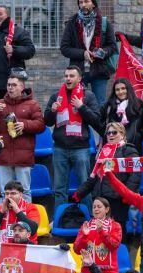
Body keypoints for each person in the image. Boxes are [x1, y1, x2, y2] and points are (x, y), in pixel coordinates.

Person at [43, 66, 101, 207]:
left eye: (71, 76)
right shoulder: (56, 96)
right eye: (66, 76)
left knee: (84, 187)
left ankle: (89, 217)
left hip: (80, 148)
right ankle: (60, 218)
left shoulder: (88, 96)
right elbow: (47, 122)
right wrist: (52, 111)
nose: (68, 78)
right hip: (60, 148)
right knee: (59, 189)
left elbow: (97, 121)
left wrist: (81, 107)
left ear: (79, 78)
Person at [0, 75, 46, 198]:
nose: (10, 88)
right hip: (3, 157)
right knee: (4, 193)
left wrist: (25, 125)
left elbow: (41, 125)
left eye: (14, 85)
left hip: (23, 158)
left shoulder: (32, 104)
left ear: (22, 87)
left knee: (24, 192)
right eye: (8, 85)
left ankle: (24, 212)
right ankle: (4, 212)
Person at [74, 122, 140, 226]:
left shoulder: (129, 150)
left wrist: (127, 195)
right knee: (100, 230)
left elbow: (135, 175)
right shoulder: (104, 151)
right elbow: (94, 176)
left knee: (117, 229)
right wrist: (80, 192)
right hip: (101, 198)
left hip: (118, 199)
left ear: (122, 134)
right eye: (108, 133)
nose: (111, 135)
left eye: (114, 132)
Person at [60, 0, 117, 104]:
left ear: (94, 3)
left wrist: (103, 52)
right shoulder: (72, 23)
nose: (83, 5)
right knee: (76, 105)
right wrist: (83, 54)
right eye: (81, 2)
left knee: (99, 105)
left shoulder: (104, 23)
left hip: (99, 70)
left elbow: (112, 46)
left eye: (86, 1)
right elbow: (64, 48)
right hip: (78, 72)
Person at [75, 198, 123, 273]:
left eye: (99, 206)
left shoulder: (115, 226)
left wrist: (101, 231)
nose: (96, 209)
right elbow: (76, 249)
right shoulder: (86, 226)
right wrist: (84, 235)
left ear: (107, 209)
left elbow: (114, 245)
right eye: (94, 207)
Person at [98, 79, 143, 149]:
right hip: (112, 148)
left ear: (128, 89)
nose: (120, 92)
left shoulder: (139, 104)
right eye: (117, 90)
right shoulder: (108, 106)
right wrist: (83, 108)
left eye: (123, 88)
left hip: (133, 147)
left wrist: (138, 135)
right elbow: (99, 123)